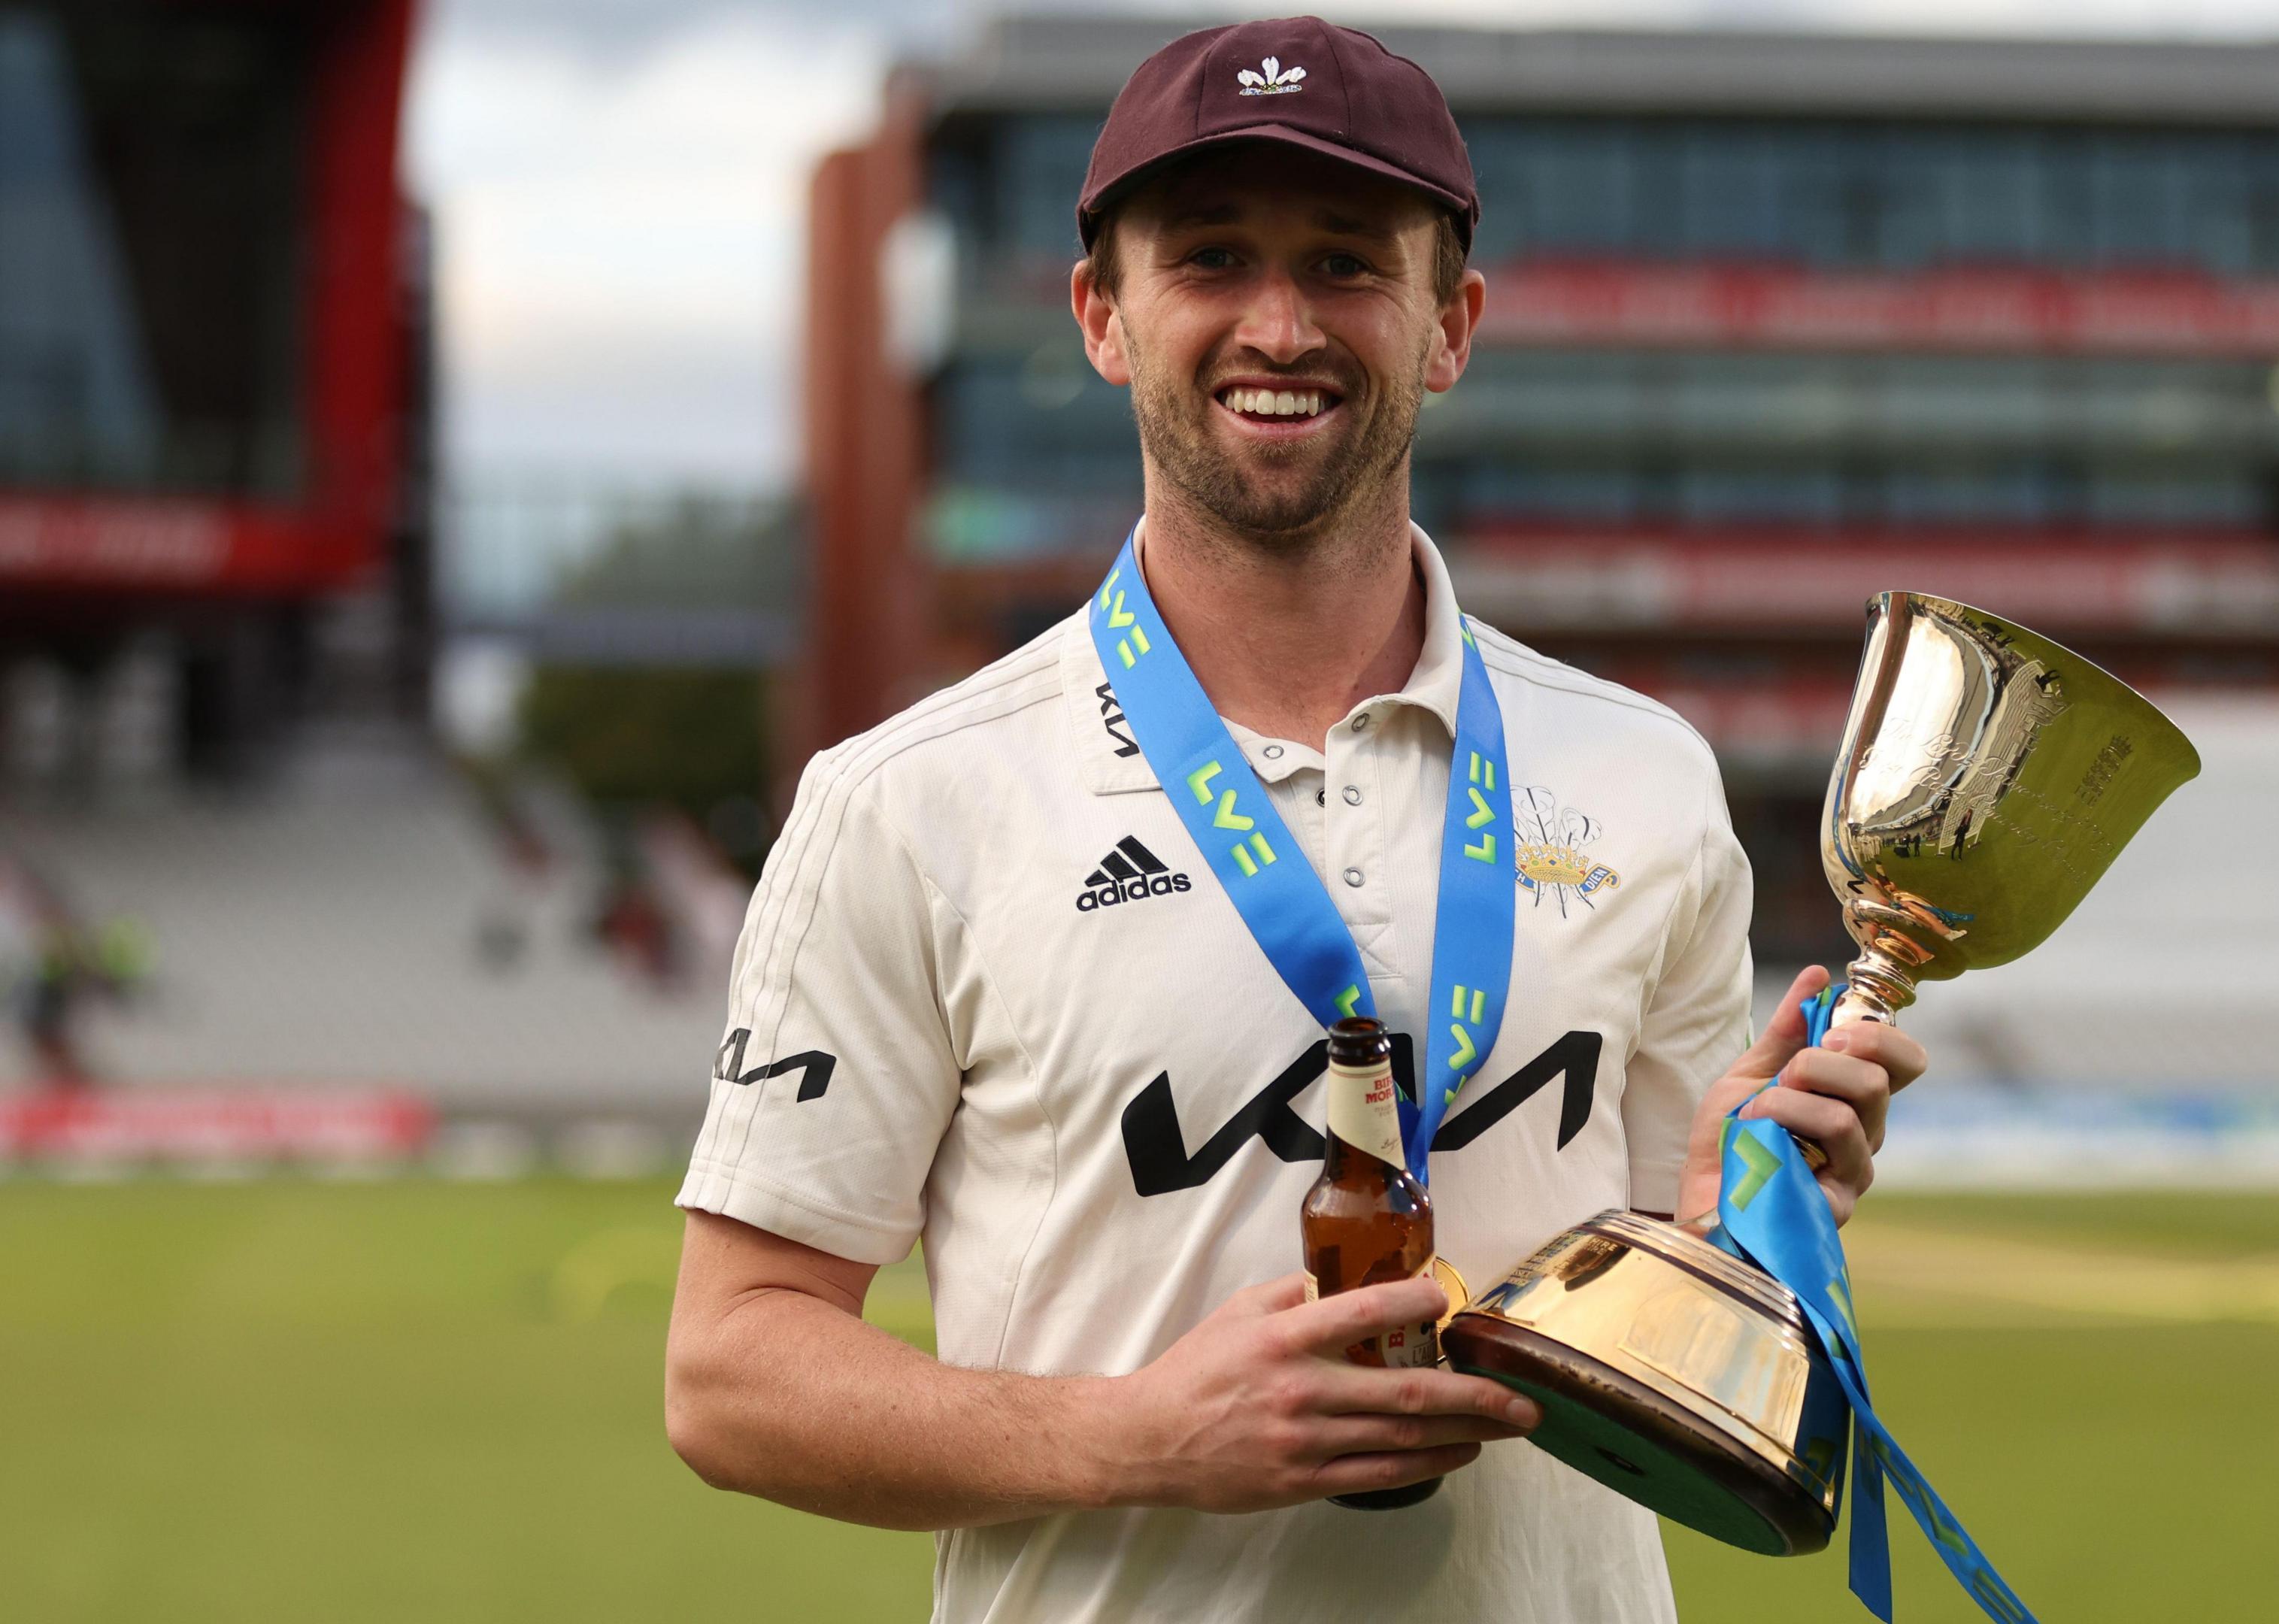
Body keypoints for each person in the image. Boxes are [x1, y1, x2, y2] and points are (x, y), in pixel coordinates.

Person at [662, 18, 1926, 1624]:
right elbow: (729, 1371)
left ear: (1449, 325)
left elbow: (1669, 1300)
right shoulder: (909, 802)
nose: (1280, 324)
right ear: (1103, 315)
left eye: (1346, 264)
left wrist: (1745, 1216)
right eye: (1210, 259)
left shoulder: (1644, 777)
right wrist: (1139, 1436)